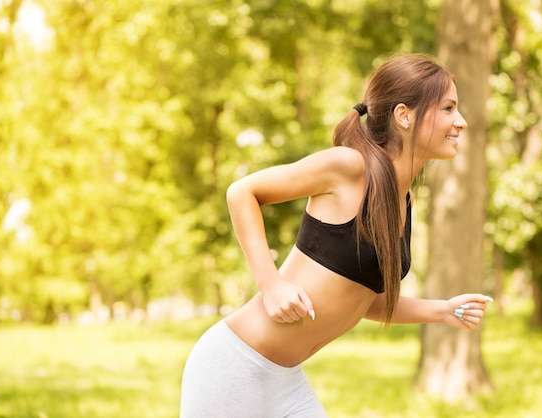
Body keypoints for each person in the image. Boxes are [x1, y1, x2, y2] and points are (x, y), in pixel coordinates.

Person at [180, 53, 493, 417]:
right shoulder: (348, 166)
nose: (461, 122)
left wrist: (442, 310)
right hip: (234, 368)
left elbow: (361, 300)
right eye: (448, 108)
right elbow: (242, 192)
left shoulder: (401, 201)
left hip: (284, 381)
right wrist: (271, 285)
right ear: (404, 115)